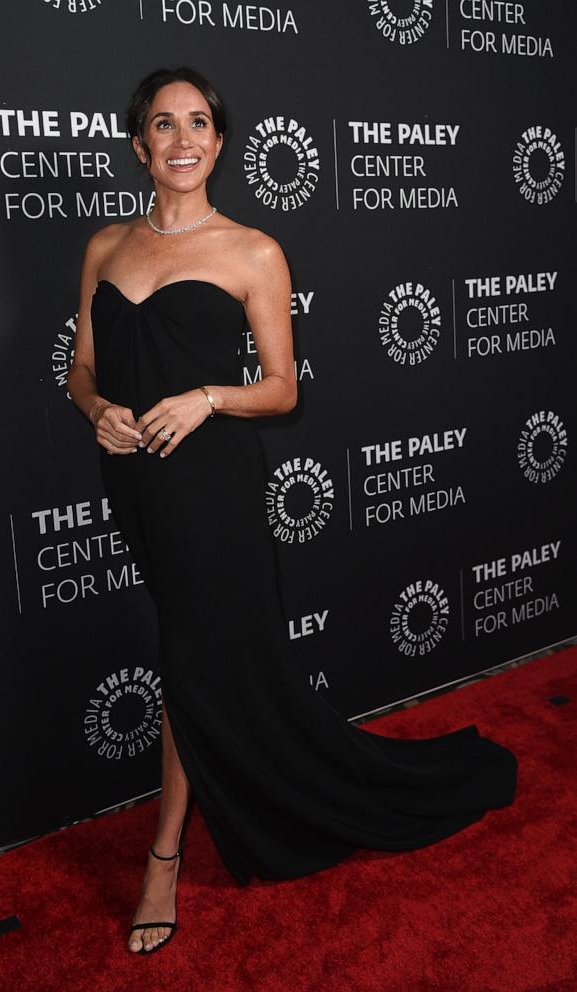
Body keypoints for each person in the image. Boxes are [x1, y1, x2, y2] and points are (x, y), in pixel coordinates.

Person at [68, 66, 518, 958]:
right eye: (164, 124)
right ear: (138, 145)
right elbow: (79, 366)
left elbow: (279, 391)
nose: (183, 138)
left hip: (213, 488)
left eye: (200, 122)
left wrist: (205, 398)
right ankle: (251, 785)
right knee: (202, 660)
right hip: (134, 483)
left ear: (220, 142)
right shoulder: (104, 246)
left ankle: (163, 855)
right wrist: (95, 412)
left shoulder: (252, 251)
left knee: (189, 661)